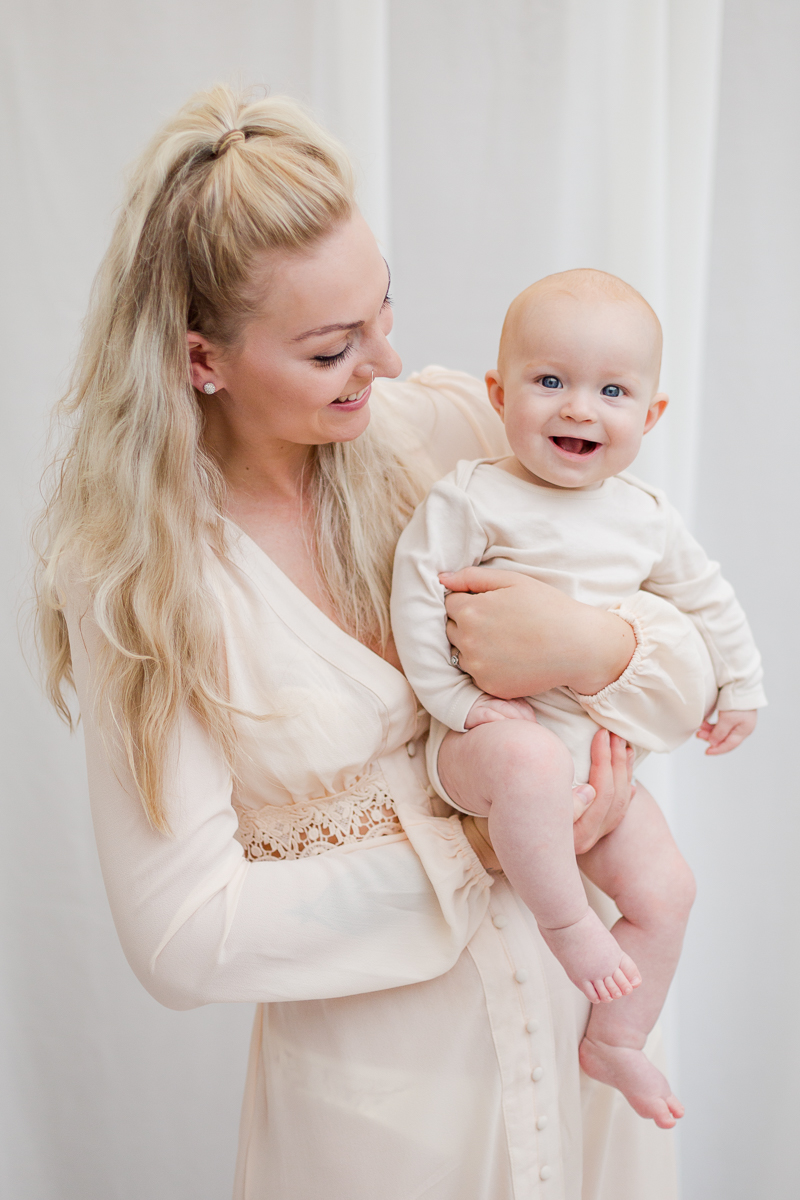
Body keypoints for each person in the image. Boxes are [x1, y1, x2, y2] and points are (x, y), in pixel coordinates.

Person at [34, 86, 711, 1199]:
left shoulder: (454, 434)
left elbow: (684, 666)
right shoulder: (142, 584)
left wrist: (592, 644)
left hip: (582, 1030)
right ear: (201, 358)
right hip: (382, 1119)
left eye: (383, 312)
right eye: (332, 349)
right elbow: (183, 936)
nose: (388, 363)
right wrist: (474, 852)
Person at [391, 269, 766, 1129]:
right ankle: (569, 928)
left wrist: (743, 684)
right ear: (499, 392)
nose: (578, 409)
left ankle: (618, 1039)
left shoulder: (645, 515)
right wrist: (458, 703)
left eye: (612, 391)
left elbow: (708, 600)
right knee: (525, 756)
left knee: (669, 890)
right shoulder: (473, 494)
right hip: (487, 740)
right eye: (550, 381)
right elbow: (416, 596)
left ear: (651, 416)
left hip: (594, 762)